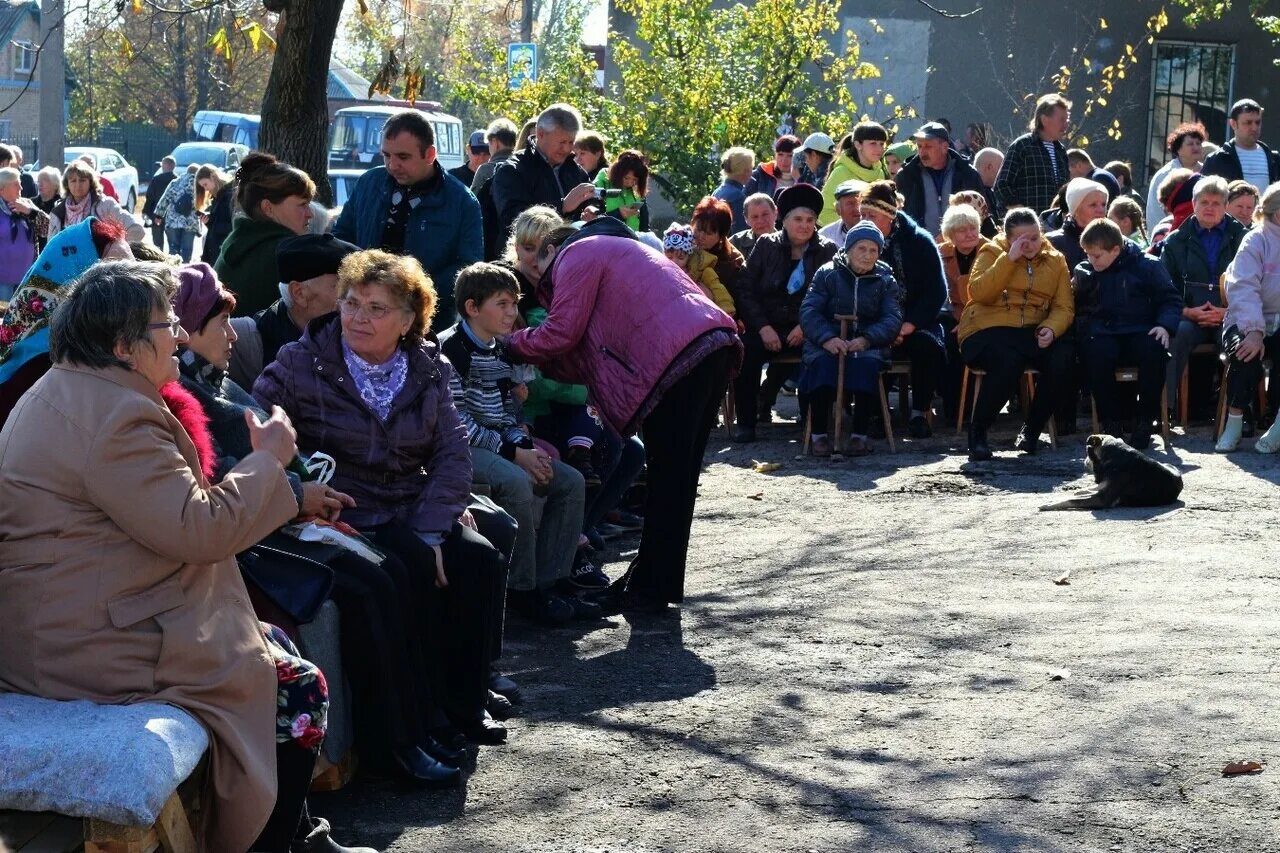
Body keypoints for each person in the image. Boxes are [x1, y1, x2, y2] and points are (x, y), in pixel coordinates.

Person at [0, 260, 373, 853]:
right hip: (89, 646)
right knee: (296, 686)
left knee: (273, 643)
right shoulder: (115, 417)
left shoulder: (74, 387)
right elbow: (199, 529)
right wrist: (270, 460)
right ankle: (267, 845)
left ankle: (297, 833)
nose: (179, 332)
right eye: (165, 322)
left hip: (79, 622)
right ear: (124, 344)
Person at [170, 261, 463, 787]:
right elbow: (215, 495)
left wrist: (303, 490)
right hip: (249, 544)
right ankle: (392, 747)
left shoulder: (212, 381)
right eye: (220, 324)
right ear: (188, 331)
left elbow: (449, 451)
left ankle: (418, 728)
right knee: (373, 582)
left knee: (396, 572)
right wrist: (299, 493)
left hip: (281, 521)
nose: (233, 334)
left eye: (377, 308)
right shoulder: (187, 398)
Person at [254, 249, 510, 744]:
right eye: (350, 303)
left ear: (408, 319)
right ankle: (425, 717)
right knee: (413, 565)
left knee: (477, 557)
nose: (358, 317)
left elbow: (453, 452)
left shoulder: (428, 366)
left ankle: (466, 702)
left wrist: (435, 525)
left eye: (376, 308)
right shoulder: (302, 361)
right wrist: (302, 481)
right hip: (349, 506)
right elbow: (259, 426)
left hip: (413, 503)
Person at [505, 215, 741, 614]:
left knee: (669, 478)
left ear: (551, 249)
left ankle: (649, 587)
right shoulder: (615, 249)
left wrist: (509, 347)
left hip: (679, 357)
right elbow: (586, 352)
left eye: (540, 269)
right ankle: (654, 581)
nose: (542, 283)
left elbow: (563, 332)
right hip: (710, 346)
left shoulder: (577, 253)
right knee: (676, 480)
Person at [437, 262, 603, 625]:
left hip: (499, 442)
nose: (513, 312)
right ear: (472, 307)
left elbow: (510, 411)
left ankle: (553, 581)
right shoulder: (451, 350)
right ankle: (522, 591)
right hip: (461, 449)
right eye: (502, 304)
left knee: (570, 481)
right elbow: (455, 423)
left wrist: (524, 445)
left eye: (514, 303)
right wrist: (514, 454)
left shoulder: (504, 349)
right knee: (515, 482)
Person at [331, 111, 483, 333]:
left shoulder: (462, 201)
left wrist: (410, 293)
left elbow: (468, 267)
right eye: (386, 155)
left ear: (430, 154)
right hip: (361, 316)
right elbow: (340, 241)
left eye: (403, 157)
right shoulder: (368, 184)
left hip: (426, 324)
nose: (392, 165)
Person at [957, 207, 1074, 459]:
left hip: (1030, 331)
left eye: (1034, 238)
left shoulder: (1056, 259)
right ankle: (978, 432)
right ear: (1008, 238)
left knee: (1063, 358)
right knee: (1008, 360)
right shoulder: (991, 251)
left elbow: (1064, 306)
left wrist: (1050, 329)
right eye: (1022, 240)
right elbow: (978, 293)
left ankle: (1031, 431)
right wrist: (1008, 260)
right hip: (986, 329)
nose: (1030, 245)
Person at [0, 218, 133, 427]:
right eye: (116, 274)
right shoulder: (43, 367)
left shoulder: (103, 344)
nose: (132, 285)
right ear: (75, 284)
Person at [732, 183, 838, 442]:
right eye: (798, 219)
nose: (804, 225)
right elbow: (745, 290)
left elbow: (832, 297)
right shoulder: (767, 246)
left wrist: (806, 326)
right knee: (745, 351)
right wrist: (762, 327)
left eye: (810, 220)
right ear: (785, 220)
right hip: (766, 325)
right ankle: (746, 422)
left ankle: (813, 422)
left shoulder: (828, 250)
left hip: (807, 328)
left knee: (821, 354)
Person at [1074, 218, 1182, 448]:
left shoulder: (1148, 266)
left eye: (1097, 256)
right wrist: (1086, 330)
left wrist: (1164, 325)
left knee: (1155, 350)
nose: (1091, 261)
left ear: (1115, 249)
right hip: (1103, 331)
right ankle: (1110, 423)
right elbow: (1079, 308)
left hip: (1140, 328)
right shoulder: (1086, 271)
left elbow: (1170, 299)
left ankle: (1145, 420)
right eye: (1088, 255)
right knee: (1095, 354)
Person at [799, 221, 902, 456]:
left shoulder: (885, 279)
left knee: (866, 366)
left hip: (866, 343)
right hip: (827, 342)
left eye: (873, 250)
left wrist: (867, 339)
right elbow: (809, 311)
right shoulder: (827, 274)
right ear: (848, 249)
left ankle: (859, 436)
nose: (867, 256)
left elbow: (892, 317)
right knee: (822, 366)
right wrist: (827, 339)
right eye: (861, 249)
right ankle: (819, 436)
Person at [858, 180, 947, 437]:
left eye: (871, 215)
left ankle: (920, 412)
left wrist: (908, 324)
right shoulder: (858, 244)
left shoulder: (920, 242)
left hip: (916, 321)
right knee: (868, 347)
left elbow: (936, 291)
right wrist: (884, 328)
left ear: (889, 216)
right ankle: (876, 414)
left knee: (927, 346)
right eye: (862, 214)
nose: (864, 220)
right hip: (875, 322)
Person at [1157, 175, 1245, 419]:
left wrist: (1228, 311)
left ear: (1226, 205)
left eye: (1216, 203)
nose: (1209, 207)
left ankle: (1239, 413)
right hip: (1188, 315)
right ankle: (1165, 410)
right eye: (1204, 202)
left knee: (1241, 342)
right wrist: (1186, 311)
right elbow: (1165, 288)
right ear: (1193, 203)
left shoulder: (1243, 239)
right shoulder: (1175, 240)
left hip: (1230, 315)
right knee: (1174, 336)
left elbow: (1253, 285)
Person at [226, 233, 358, 390]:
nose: (353, 297)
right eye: (341, 285)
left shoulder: (362, 333)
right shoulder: (244, 341)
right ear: (299, 293)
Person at [1218, 183, 1280, 452]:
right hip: (1246, 318)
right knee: (1246, 351)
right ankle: (1234, 422)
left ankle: (1278, 423)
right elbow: (1242, 288)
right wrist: (1254, 330)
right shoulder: (1255, 241)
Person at [215, 153, 316, 316]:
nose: (310, 213)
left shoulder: (237, 243)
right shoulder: (287, 254)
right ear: (268, 208)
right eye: (302, 205)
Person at [491, 104, 597, 245]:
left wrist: (593, 212)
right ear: (540, 134)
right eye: (562, 142)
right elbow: (513, 220)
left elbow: (593, 203)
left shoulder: (575, 171)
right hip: (526, 261)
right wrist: (562, 206)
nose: (566, 148)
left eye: (571, 142)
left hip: (570, 255)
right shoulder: (513, 170)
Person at [937, 203, 990, 420]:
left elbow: (996, 293)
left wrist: (970, 320)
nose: (970, 234)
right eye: (962, 230)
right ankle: (953, 410)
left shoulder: (991, 251)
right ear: (950, 234)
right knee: (946, 343)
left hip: (985, 315)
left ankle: (979, 410)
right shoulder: (940, 253)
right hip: (952, 314)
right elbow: (938, 293)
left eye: (973, 228)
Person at [894, 121, 992, 237]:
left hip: (960, 248)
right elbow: (896, 216)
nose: (922, 152)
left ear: (944, 147)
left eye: (928, 146)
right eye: (919, 146)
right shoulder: (906, 176)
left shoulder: (967, 174)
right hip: (919, 248)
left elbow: (983, 215)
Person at [994, 93, 1072, 219]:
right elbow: (1001, 185)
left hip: (1055, 225)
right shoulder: (1022, 146)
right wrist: (1021, 213)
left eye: (1067, 119)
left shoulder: (1061, 151)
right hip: (1026, 228)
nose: (1066, 124)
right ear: (1044, 120)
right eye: (1062, 119)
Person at [47, 159, 143, 242]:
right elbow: (50, 250)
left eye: (82, 180)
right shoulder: (58, 213)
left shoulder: (105, 205)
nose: (78, 185)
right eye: (73, 181)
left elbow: (137, 230)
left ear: (91, 182)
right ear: (67, 184)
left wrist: (113, 248)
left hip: (101, 262)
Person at [1202, 99, 1280, 191]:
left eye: (1257, 122)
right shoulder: (1216, 160)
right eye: (1248, 123)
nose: (1254, 128)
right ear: (1233, 124)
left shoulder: (1274, 159)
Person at [822, 121, 891, 225]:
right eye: (873, 143)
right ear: (858, 145)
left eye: (882, 144)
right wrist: (851, 227)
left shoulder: (880, 173)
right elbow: (824, 213)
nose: (879, 149)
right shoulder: (841, 172)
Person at [663, 224, 735, 315]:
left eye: (680, 258)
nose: (674, 262)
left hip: (703, 316)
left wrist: (727, 311)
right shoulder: (662, 273)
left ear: (689, 256)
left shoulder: (703, 271)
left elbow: (718, 290)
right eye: (669, 257)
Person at [1146, 122, 1207, 229]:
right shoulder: (1164, 175)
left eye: (1198, 143)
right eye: (1190, 144)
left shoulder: (1207, 171)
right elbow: (1155, 210)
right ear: (1178, 149)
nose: (1196, 147)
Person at [0, 167, 47, 300]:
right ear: (2, 189)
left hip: (27, 278)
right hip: (3, 281)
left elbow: (49, 228)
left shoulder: (27, 204)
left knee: (23, 318)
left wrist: (30, 212)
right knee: (3, 318)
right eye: (16, 184)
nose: (21, 187)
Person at [1047, 177, 1110, 272]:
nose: (1101, 210)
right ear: (1075, 209)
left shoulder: (1113, 240)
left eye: (1103, 204)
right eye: (1093, 205)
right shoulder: (1053, 243)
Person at [691, 194, 748, 297]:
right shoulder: (683, 245)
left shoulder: (733, 262)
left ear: (721, 236)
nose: (701, 236)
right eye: (698, 229)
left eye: (709, 233)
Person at [595, 149, 649, 232]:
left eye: (635, 180)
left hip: (633, 239)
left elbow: (644, 225)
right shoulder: (603, 180)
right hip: (606, 238)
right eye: (626, 178)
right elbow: (592, 218)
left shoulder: (637, 189)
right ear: (618, 172)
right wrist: (618, 214)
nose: (630, 183)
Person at [154, 164, 200, 263]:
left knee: (173, 250)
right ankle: (186, 272)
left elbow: (165, 199)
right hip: (190, 222)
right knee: (186, 251)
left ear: (187, 172)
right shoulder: (198, 184)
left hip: (172, 221)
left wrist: (159, 215)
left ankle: (174, 273)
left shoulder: (175, 182)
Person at [197, 164, 235, 265]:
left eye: (205, 184)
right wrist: (209, 221)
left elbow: (232, 224)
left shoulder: (228, 195)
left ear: (213, 177)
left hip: (224, 248)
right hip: (217, 247)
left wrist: (212, 224)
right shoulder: (217, 196)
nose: (205, 189)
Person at [471, 118, 519, 193]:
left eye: (489, 144)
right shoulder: (524, 166)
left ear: (494, 142)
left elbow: (473, 200)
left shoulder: (485, 170)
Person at [713, 147, 754, 234]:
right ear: (745, 171)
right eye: (751, 168)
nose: (752, 172)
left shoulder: (717, 192)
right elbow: (740, 233)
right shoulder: (738, 196)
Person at [143, 156, 177, 250]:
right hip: (172, 216)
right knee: (173, 244)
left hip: (156, 214)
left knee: (157, 243)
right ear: (174, 166)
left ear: (164, 165)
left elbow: (149, 197)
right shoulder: (177, 180)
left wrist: (145, 211)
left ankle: (159, 261)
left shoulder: (156, 179)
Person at [730, 192, 778, 260]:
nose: (760, 221)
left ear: (775, 213)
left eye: (765, 214)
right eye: (755, 217)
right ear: (746, 219)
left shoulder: (787, 243)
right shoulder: (735, 243)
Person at [818, 179, 866, 245]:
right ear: (838, 209)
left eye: (862, 203)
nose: (857, 209)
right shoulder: (824, 236)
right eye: (850, 203)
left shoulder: (880, 233)